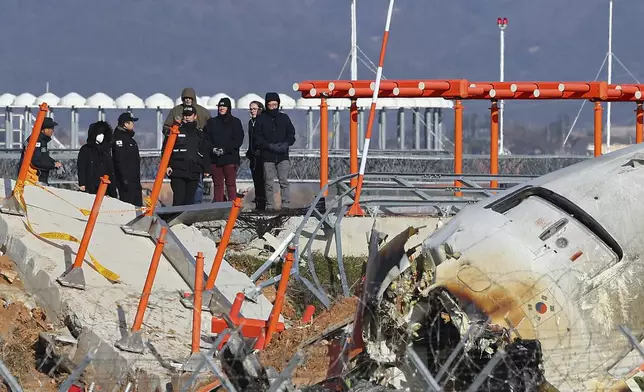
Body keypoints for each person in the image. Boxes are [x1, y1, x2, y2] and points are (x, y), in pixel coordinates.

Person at [163, 88, 210, 204]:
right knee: (179, 198)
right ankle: (176, 219)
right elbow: (166, 147)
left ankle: (191, 216)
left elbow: (205, 149)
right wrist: (166, 165)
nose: (187, 117)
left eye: (190, 98)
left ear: (195, 116)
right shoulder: (176, 117)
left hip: (194, 169)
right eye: (186, 98)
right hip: (178, 169)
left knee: (192, 198)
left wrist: (206, 168)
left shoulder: (200, 132)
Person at [253, 92, 296, 210]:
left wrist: (285, 144)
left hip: (283, 156)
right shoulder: (261, 119)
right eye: (270, 105)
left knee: (284, 181)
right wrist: (268, 146)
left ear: (278, 104)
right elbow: (257, 137)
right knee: (268, 182)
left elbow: (291, 134)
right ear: (267, 105)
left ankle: (286, 204)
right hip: (267, 156)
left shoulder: (284, 118)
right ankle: (270, 205)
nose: (272, 107)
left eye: (275, 105)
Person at [204, 98, 244, 202]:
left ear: (228, 108)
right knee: (218, 185)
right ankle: (219, 207)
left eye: (224, 106)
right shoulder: (212, 122)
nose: (221, 108)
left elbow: (238, 140)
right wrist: (213, 149)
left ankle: (232, 207)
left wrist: (224, 150)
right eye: (220, 106)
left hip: (230, 158)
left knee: (230, 184)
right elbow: (206, 139)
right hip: (215, 159)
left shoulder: (235, 122)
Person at [77, 121, 118, 197]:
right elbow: (81, 167)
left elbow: (110, 169)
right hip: (91, 187)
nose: (101, 136)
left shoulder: (106, 150)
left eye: (103, 133)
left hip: (105, 187)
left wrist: (112, 189)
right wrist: (82, 183)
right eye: (99, 133)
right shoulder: (85, 149)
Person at [18, 117, 62, 185]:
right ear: (45, 130)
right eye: (51, 128)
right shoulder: (36, 141)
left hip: (36, 179)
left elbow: (44, 156)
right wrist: (53, 165)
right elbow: (35, 161)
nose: (53, 131)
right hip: (32, 180)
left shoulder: (41, 140)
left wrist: (54, 162)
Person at [112, 112, 143, 206]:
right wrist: (124, 179)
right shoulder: (119, 139)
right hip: (126, 180)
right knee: (128, 204)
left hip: (134, 179)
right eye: (131, 122)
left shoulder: (130, 139)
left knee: (137, 204)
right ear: (126, 124)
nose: (133, 124)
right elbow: (119, 160)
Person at [246, 101, 266, 210]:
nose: (252, 111)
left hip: (262, 155)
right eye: (251, 109)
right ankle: (258, 201)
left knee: (263, 179)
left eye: (254, 109)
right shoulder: (250, 122)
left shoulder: (262, 121)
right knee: (256, 179)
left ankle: (263, 202)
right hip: (253, 156)